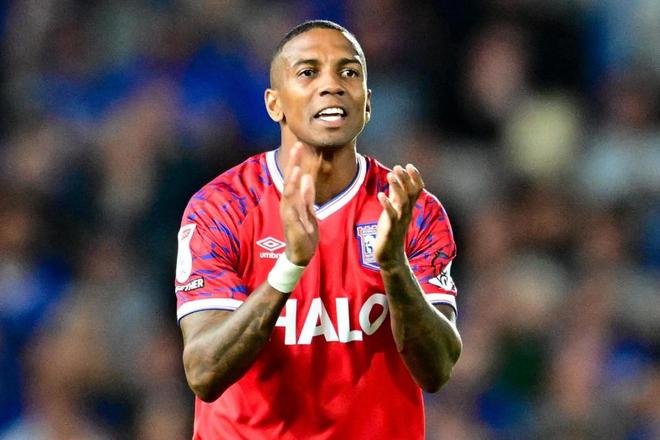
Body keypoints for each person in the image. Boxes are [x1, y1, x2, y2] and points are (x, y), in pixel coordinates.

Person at [174, 20, 462, 439]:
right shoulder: (222, 208)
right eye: (308, 72)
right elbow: (203, 370)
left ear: (367, 103)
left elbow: (437, 370)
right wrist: (290, 265)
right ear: (274, 104)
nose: (332, 85)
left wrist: (394, 266)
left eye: (349, 72)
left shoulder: (411, 211)